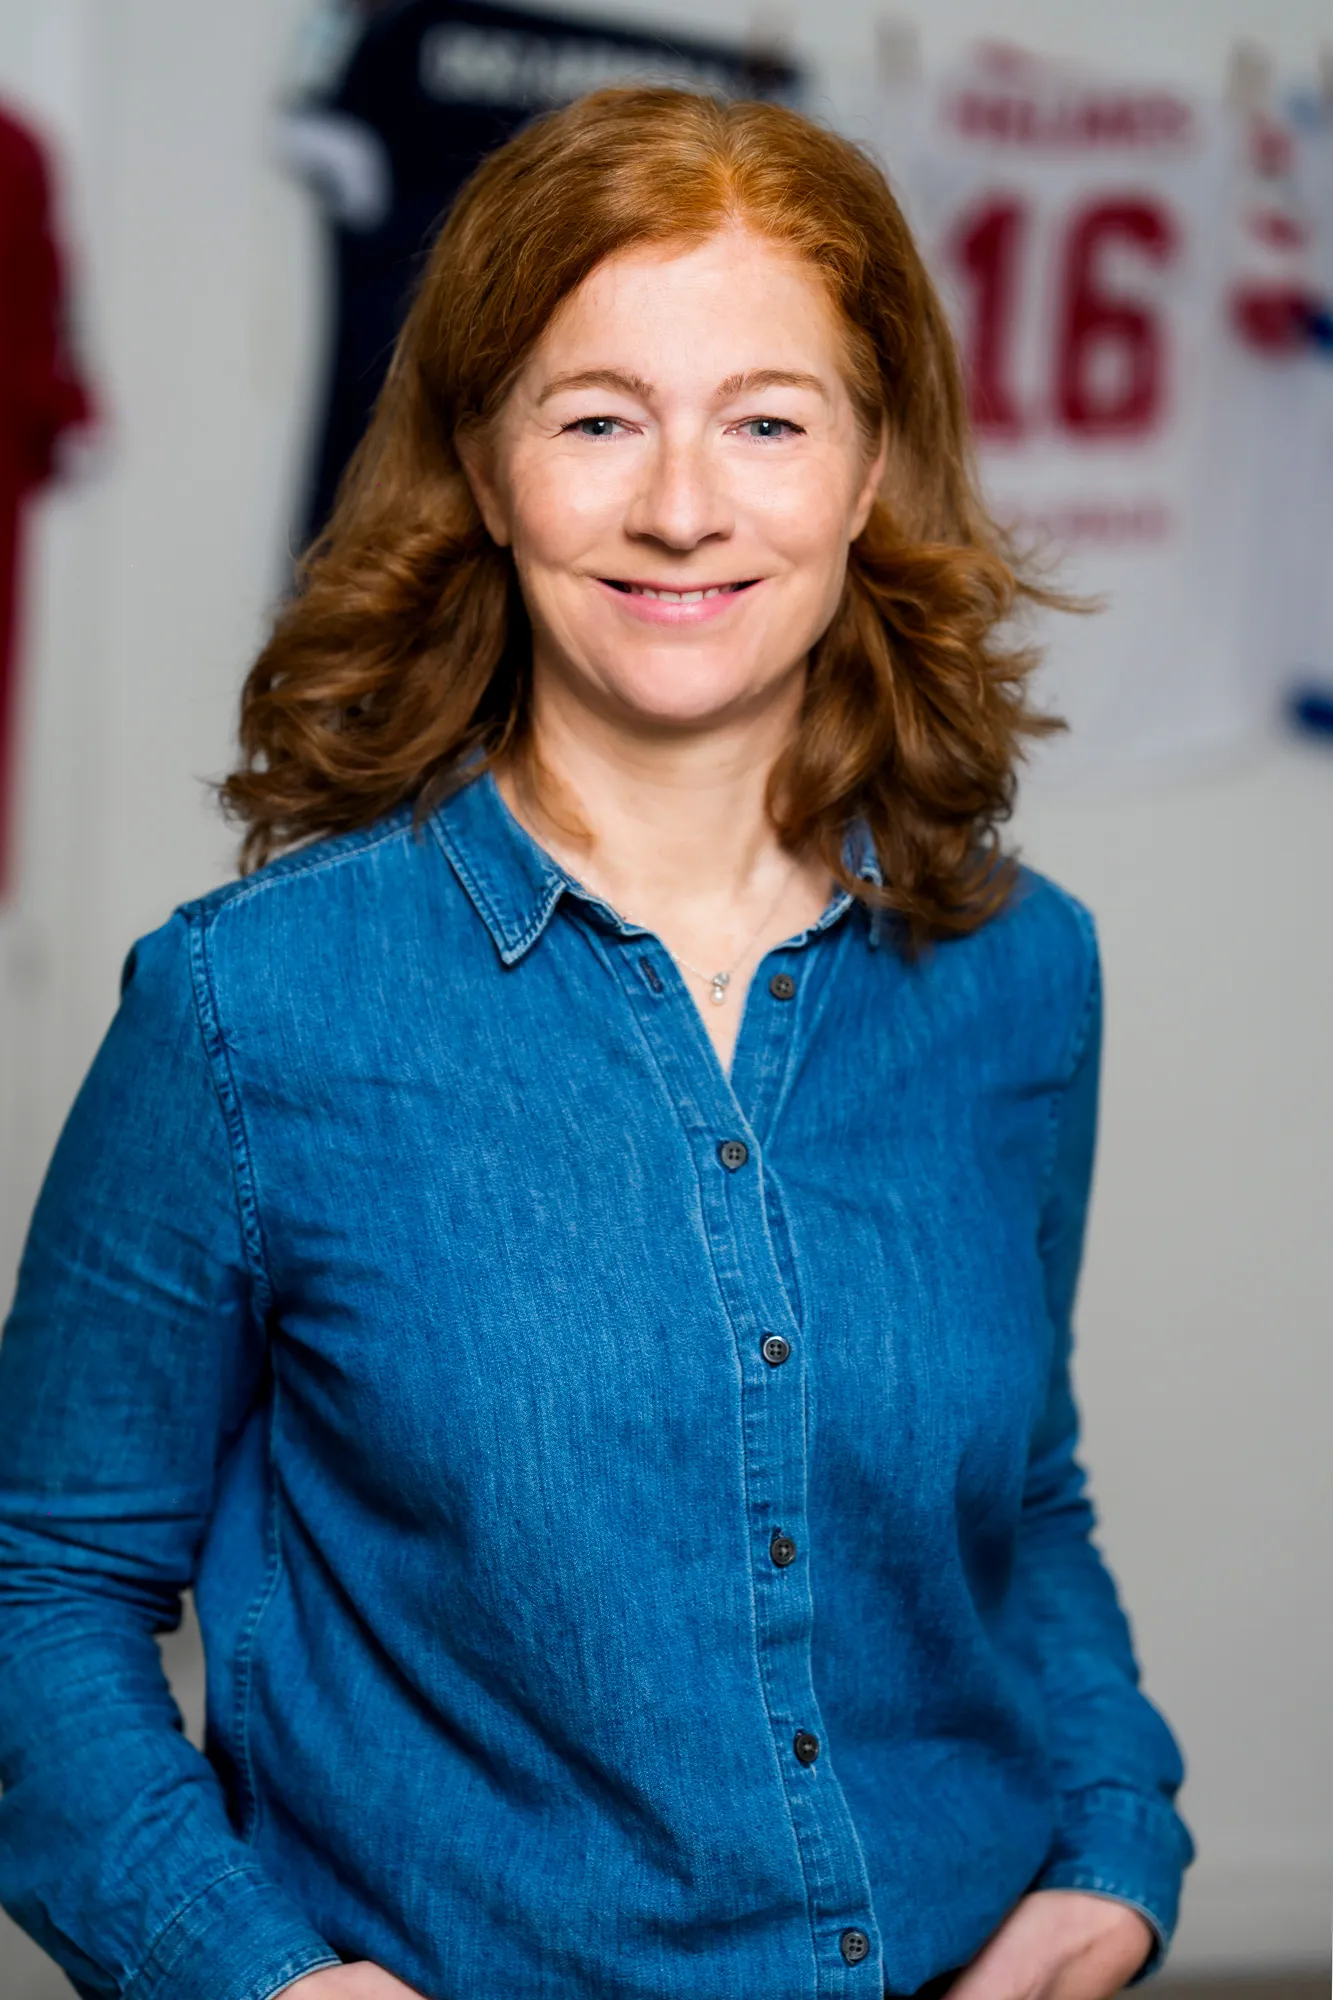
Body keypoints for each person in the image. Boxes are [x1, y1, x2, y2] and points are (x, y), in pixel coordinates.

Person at [0, 88, 1191, 2000]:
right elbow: (37, 1591)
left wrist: (1118, 1846)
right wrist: (257, 1979)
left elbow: (1023, 1505)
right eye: (598, 418)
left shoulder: (1021, 976)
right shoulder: (247, 1009)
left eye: (770, 421)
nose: (684, 507)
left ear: (876, 465)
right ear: (483, 460)